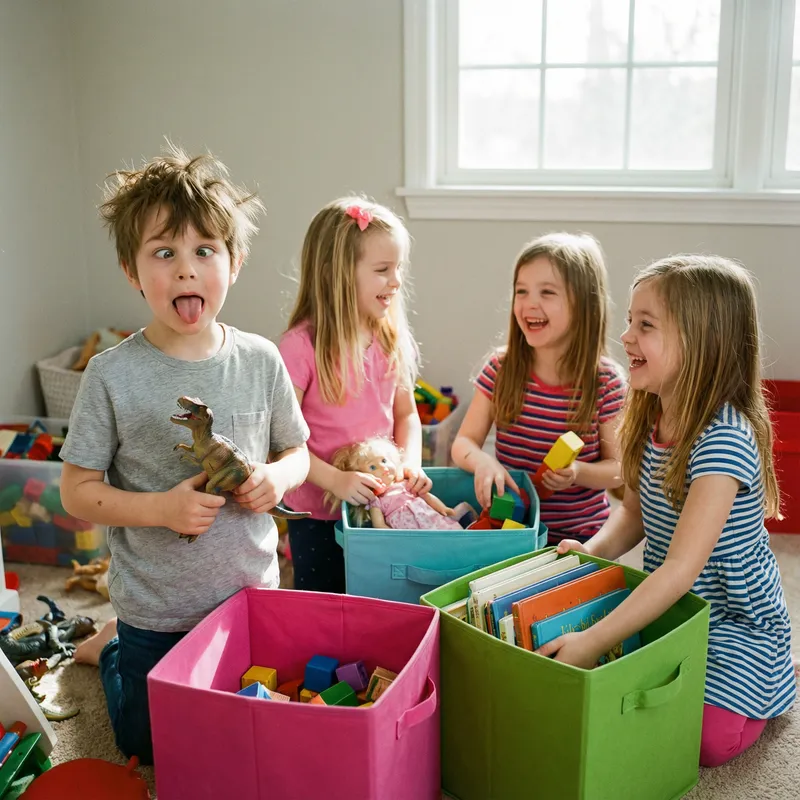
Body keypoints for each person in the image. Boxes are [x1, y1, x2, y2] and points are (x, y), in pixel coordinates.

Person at [59, 144, 310, 764]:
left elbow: (298, 450)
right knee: (148, 744)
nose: (186, 271)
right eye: (163, 253)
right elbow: (76, 490)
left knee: (245, 723)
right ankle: (109, 647)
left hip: (249, 595)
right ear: (131, 269)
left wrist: (277, 479)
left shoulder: (260, 359)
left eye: (205, 251)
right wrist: (161, 510)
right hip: (156, 608)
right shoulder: (109, 375)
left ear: (236, 262)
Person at [540, 255, 796, 767]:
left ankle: (771, 691)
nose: (626, 337)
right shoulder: (650, 414)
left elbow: (681, 568)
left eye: (645, 325)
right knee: (623, 693)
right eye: (631, 321)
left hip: (736, 619)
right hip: (673, 603)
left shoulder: (724, 441)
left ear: (702, 342)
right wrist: (590, 553)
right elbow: (634, 515)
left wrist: (591, 641)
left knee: (704, 743)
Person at [279, 196, 430, 592]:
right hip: (317, 514)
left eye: (399, 269)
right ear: (337, 275)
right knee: (324, 601)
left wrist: (410, 463)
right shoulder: (300, 347)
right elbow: (281, 440)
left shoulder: (390, 340)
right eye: (382, 270)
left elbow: (406, 415)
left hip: (382, 504)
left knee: (378, 593)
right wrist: (336, 481)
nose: (396, 281)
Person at [451, 232, 624, 544]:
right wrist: (482, 460)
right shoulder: (500, 370)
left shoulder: (606, 383)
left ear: (584, 304)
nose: (530, 303)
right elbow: (463, 442)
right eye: (521, 291)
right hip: (511, 531)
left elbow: (619, 469)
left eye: (547, 292)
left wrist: (577, 471)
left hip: (582, 536)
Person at [327, 436, 462, 530]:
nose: (383, 468)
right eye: (373, 467)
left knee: (447, 530)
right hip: (406, 534)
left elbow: (426, 496)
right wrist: (391, 536)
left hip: (430, 520)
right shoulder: (376, 501)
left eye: (384, 461)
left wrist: (442, 508)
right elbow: (379, 525)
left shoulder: (405, 484)